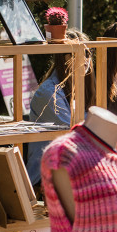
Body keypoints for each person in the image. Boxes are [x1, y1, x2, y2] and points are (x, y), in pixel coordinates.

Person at [26, 30, 93, 186]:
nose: (85, 59)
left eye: (88, 53)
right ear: (64, 58)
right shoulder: (49, 92)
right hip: (43, 179)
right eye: (77, 53)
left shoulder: (81, 87)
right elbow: (73, 130)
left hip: (70, 171)